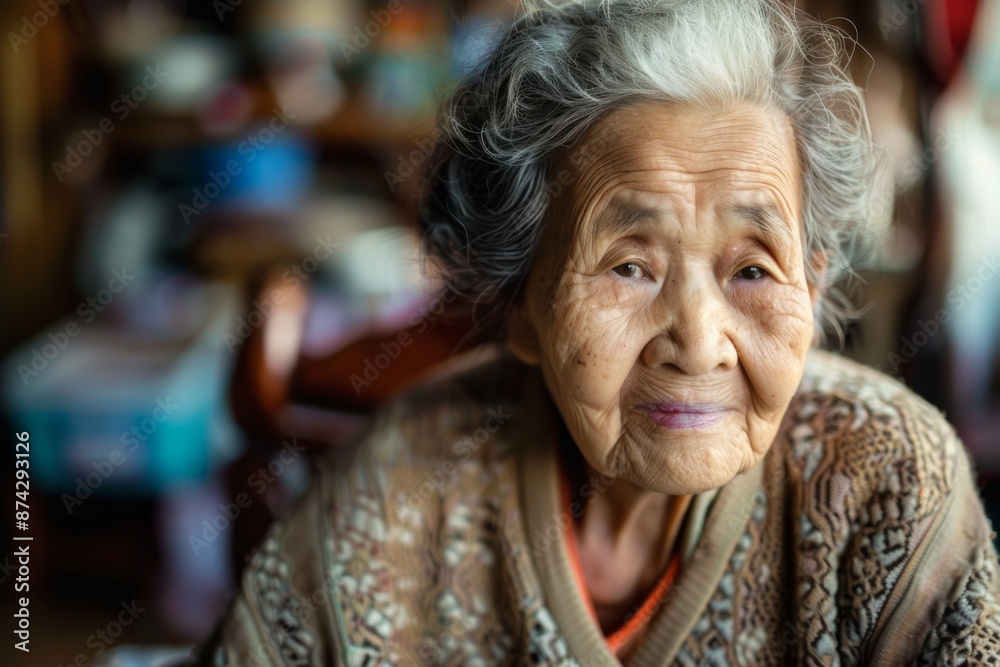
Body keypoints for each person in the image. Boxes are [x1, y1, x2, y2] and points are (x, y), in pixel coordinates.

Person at [194, 0, 1000, 664]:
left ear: (813, 286)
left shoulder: (890, 485)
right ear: (522, 306)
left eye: (752, 268)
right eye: (628, 266)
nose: (697, 341)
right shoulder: (405, 477)